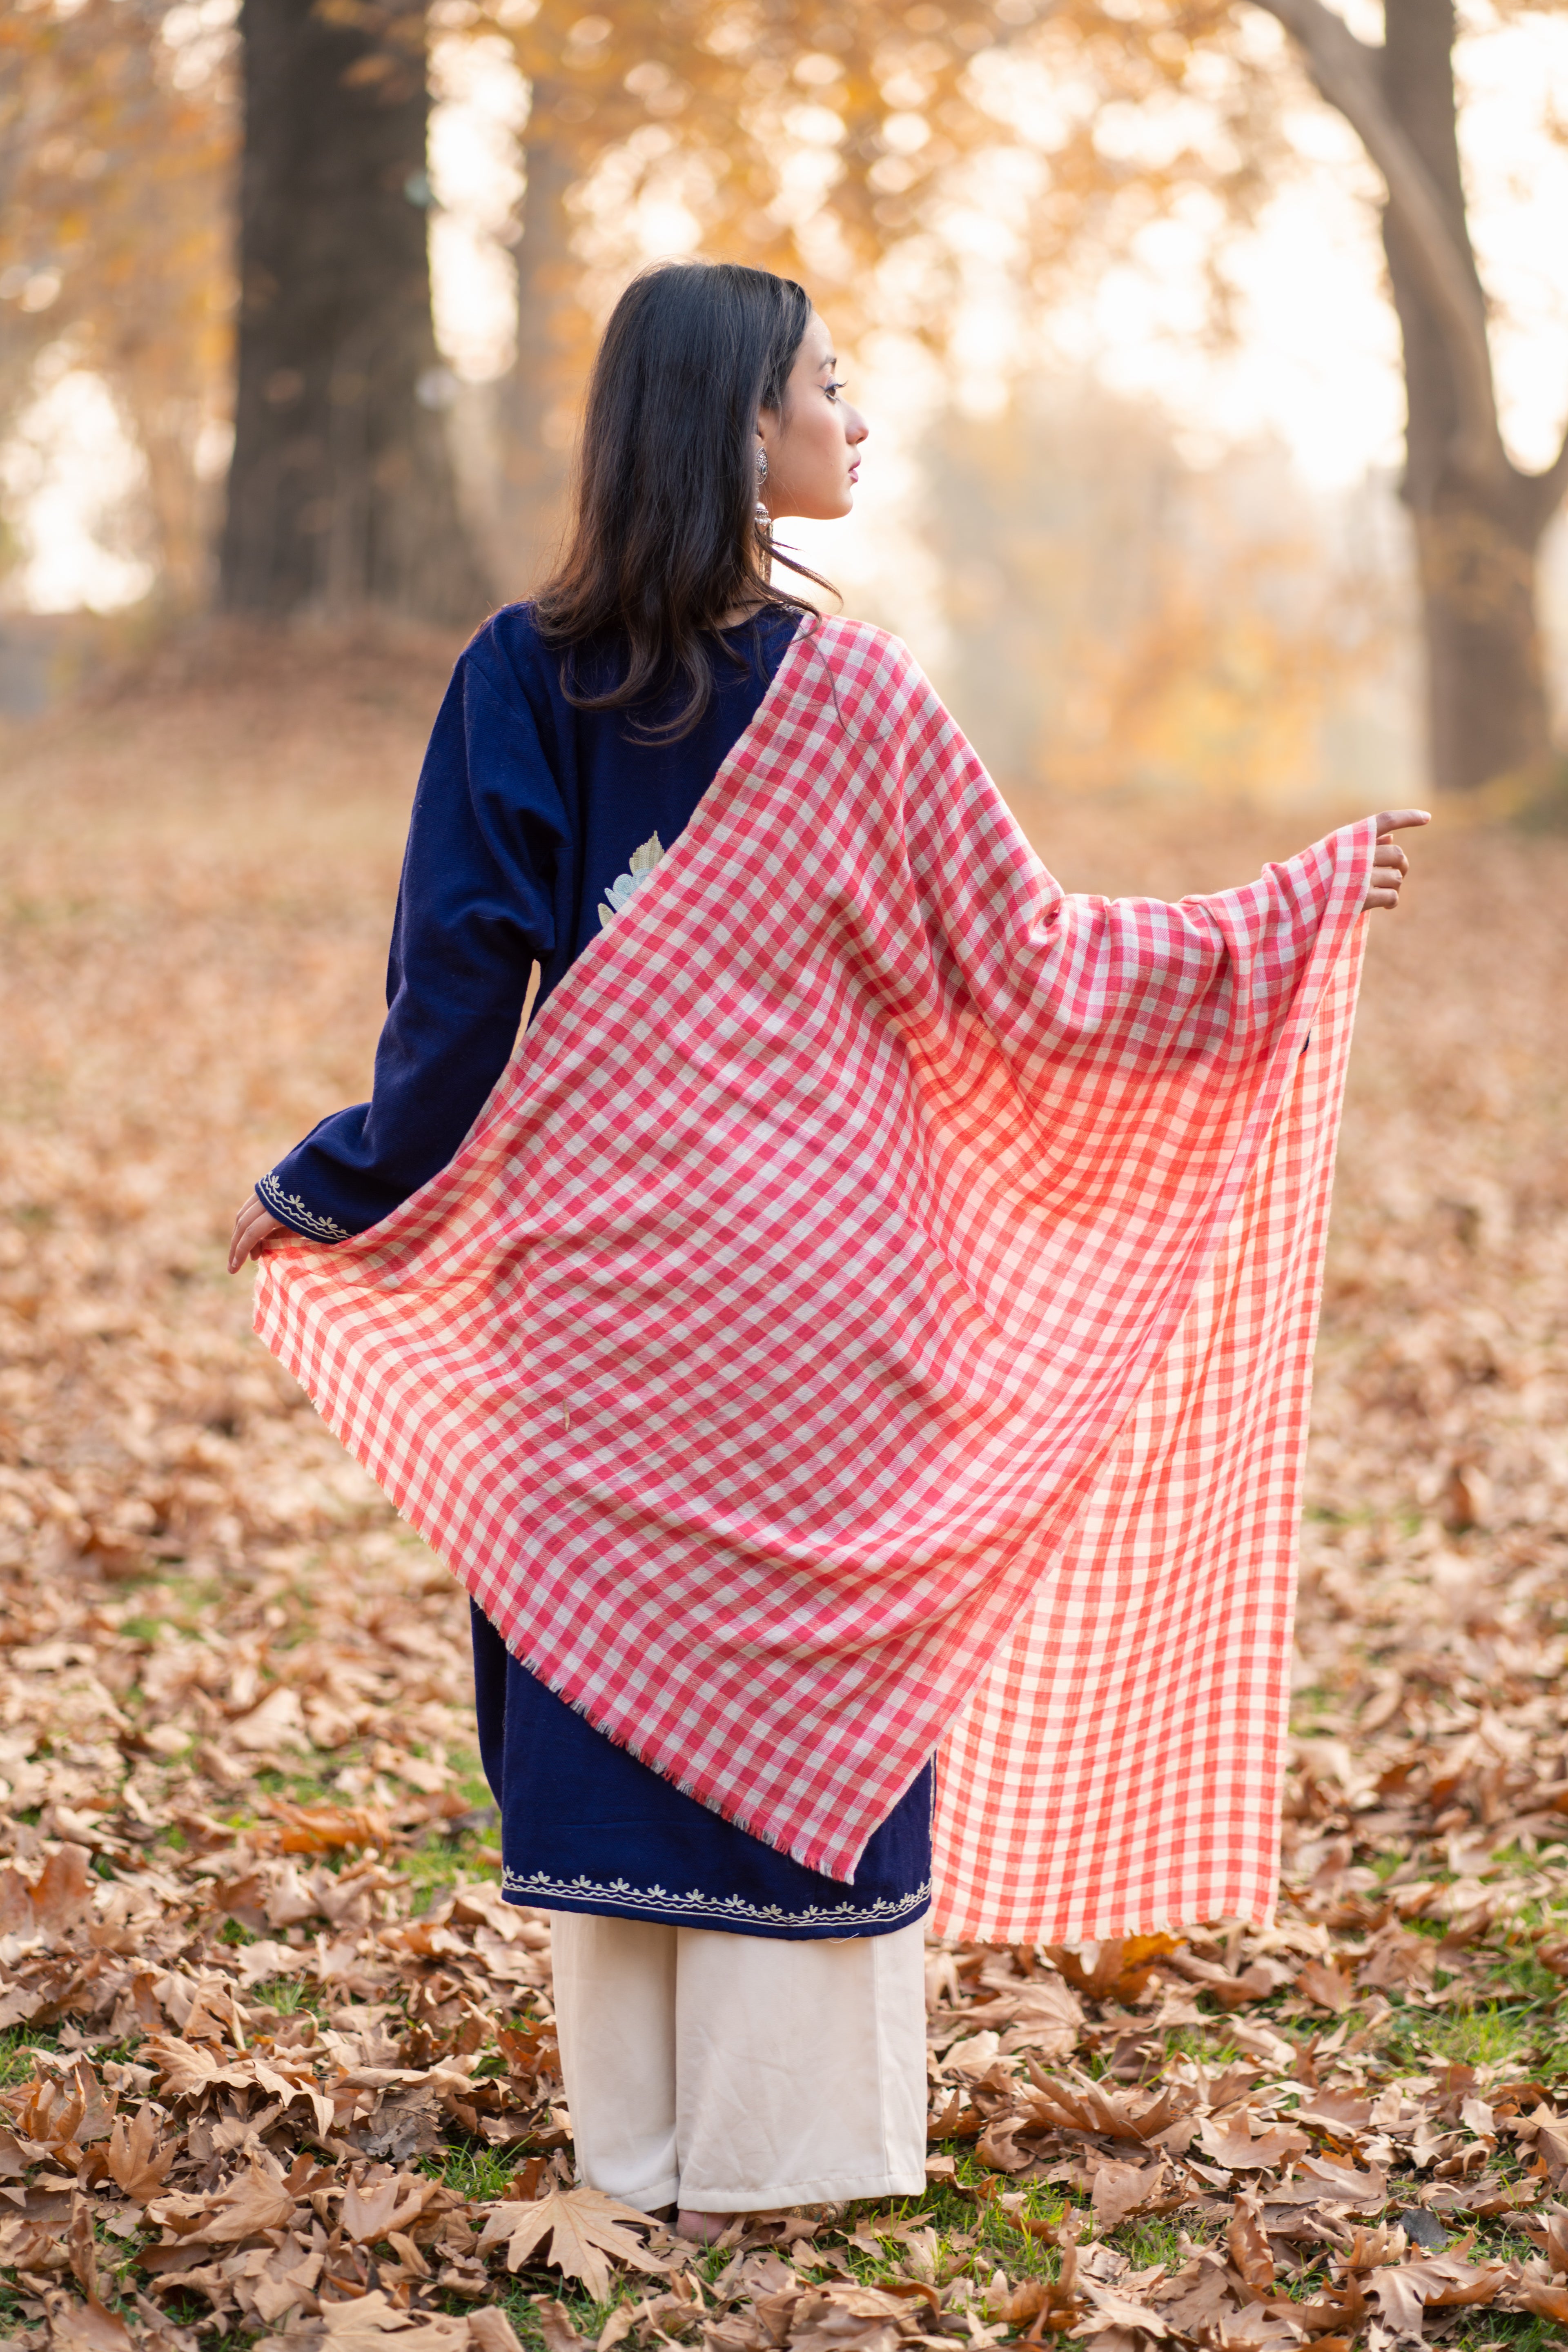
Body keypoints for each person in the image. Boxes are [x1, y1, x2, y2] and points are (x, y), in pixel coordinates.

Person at [231, 259, 1425, 2244]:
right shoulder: (858, 698)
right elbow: (1040, 966)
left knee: (608, 1672)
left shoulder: (517, 674)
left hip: (594, 1304)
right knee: (814, 1682)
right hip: (832, 1307)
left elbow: (453, 999)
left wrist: (338, 1186)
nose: (855, 419)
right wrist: (1276, 922)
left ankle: (635, 2159)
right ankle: (782, 2163)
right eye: (828, 384)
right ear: (737, 426)